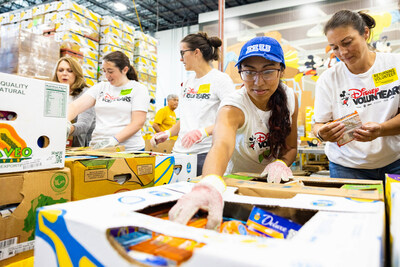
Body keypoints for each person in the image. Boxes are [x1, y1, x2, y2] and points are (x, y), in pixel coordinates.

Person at [168, 36, 298, 229]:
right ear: (240, 73)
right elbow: (221, 146)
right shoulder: (233, 106)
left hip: (273, 183)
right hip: (237, 185)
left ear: (281, 70)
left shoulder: (290, 97)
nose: (258, 81)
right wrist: (209, 183)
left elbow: (291, 147)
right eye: (249, 72)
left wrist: (280, 163)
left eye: (268, 71)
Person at [312, 10, 400, 181]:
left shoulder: (395, 65)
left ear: (365, 33)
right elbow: (318, 125)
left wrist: (381, 130)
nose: (343, 52)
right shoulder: (328, 79)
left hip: (395, 161)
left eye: (347, 42)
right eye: (335, 47)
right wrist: (322, 134)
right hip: (347, 167)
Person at [150, 32, 235, 175]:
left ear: (196, 52)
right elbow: (186, 119)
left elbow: (231, 120)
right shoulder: (188, 83)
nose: (180, 58)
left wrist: (203, 132)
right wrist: (168, 133)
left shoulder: (221, 80)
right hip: (179, 152)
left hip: (205, 153)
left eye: (183, 53)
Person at [67, 51, 149, 151]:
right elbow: (75, 106)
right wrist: (66, 122)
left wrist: (115, 140)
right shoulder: (101, 88)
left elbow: (138, 122)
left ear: (125, 70)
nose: (107, 75)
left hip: (129, 149)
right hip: (98, 147)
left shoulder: (138, 89)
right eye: (104, 71)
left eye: (110, 71)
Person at [53, 57, 95, 147]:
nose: (64, 73)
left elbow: (84, 125)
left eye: (70, 70)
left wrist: (65, 129)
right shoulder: (54, 93)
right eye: (60, 70)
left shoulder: (86, 94)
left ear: (76, 73)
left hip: (81, 147)